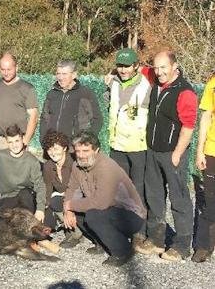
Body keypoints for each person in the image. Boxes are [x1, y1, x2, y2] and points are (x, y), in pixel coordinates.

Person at [135, 51, 197, 262]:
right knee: (154, 196)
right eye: (156, 68)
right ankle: (156, 239)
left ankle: (181, 245)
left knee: (179, 199)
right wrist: (113, 74)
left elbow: (188, 127)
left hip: (173, 153)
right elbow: (138, 69)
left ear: (174, 67)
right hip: (153, 150)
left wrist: (178, 153)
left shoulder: (185, 92)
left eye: (164, 67)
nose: (159, 72)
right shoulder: (155, 79)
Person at [63, 131, 146, 267]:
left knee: (93, 215)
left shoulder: (106, 167)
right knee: (81, 213)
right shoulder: (77, 165)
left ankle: (123, 251)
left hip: (130, 216)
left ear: (96, 150)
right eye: (78, 151)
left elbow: (101, 202)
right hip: (108, 210)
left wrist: (69, 205)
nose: (81, 155)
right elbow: (72, 189)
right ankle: (102, 243)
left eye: (86, 151)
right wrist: (68, 210)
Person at [105, 48, 153, 246]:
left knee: (137, 189)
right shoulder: (114, 83)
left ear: (136, 66)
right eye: (120, 66)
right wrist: (107, 86)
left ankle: (139, 232)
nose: (123, 70)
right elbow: (110, 104)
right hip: (117, 145)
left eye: (127, 66)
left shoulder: (146, 86)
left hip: (138, 146)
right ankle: (123, 226)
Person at [0, 125, 46, 222]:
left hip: (25, 196)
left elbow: (40, 185)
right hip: (7, 196)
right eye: (10, 142)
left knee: (25, 202)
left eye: (17, 141)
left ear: (23, 139)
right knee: (3, 222)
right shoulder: (0, 156)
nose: (14, 145)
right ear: (6, 142)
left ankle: (28, 225)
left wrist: (40, 209)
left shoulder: (31, 160)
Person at [0, 53, 39, 156]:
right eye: (3, 70)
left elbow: (33, 117)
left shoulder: (27, 88)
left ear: (16, 68)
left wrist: (25, 141)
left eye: (9, 69)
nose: (6, 73)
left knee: (18, 171)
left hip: (17, 141)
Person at [39, 60, 102, 141]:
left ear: (74, 75)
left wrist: (85, 141)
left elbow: (97, 119)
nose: (60, 77)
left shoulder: (85, 94)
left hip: (74, 147)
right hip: (52, 145)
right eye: (58, 73)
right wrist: (43, 139)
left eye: (64, 74)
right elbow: (44, 118)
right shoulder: (52, 94)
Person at [41, 131, 83, 248]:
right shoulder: (48, 166)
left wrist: (67, 203)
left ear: (64, 148)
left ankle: (75, 231)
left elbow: (80, 187)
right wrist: (43, 206)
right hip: (63, 196)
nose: (53, 153)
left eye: (56, 149)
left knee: (61, 200)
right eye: (49, 150)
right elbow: (47, 187)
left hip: (78, 196)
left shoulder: (74, 163)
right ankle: (72, 231)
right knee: (52, 201)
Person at [194, 68, 215, 262]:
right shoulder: (212, 83)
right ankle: (204, 245)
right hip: (212, 150)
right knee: (210, 201)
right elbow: (206, 116)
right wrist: (200, 149)